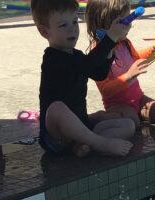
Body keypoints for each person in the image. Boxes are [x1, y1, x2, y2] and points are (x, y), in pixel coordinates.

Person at [31, 0, 135, 157]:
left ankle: (84, 144)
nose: (72, 29)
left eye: (74, 22)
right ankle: (101, 143)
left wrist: (110, 46)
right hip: (55, 136)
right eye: (63, 25)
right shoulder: (52, 61)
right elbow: (86, 65)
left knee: (128, 125)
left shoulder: (77, 56)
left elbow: (99, 73)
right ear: (45, 32)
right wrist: (110, 39)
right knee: (57, 108)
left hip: (80, 128)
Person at [85, 0, 155, 127]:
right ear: (108, 24)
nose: (129, 26)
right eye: (126, 22)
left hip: (139, 100)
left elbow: (135, 59)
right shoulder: (99, 52)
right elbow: (105, 90)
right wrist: (128, 76)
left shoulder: (125, 43)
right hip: (118, 106)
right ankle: (90, 119)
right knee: (132, 121)